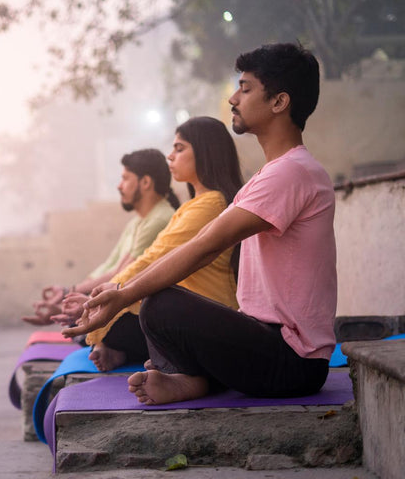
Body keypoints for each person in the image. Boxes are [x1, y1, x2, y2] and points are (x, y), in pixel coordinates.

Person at [67, 43, 337, 405]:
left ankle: (191, 378)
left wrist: (124, 295)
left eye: (245, 88)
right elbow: (183, 249)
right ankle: (193, 378)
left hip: (293, 361)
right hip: (267, 342)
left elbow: (204, 246)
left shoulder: (292, 172)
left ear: (279, 102)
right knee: (162, 305)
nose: (233, 100)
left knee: (160, 304)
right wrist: (121, 291)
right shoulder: (269, 175)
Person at [62, 116, 244, 371]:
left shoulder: (210, 204)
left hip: (209, 314)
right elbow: (147, 258)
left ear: (205, 152)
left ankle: (124, 349)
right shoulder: (195, 205)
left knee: (134, 318)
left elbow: (154, 259)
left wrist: (103, 298)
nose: (170, 156)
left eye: (179, 149)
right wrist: (102, 295)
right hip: (193, 311)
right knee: (105, 319)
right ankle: (124, 352)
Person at [22, 148, 179, 326]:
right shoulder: (137, 223)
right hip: (120, 302)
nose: (119, 185)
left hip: (139, 313)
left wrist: (74, 298)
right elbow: (110, 268)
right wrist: (69, 298)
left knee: (91, 330)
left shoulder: (158, 220)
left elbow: (119, 275)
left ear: (145, 182)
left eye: (125, 178)